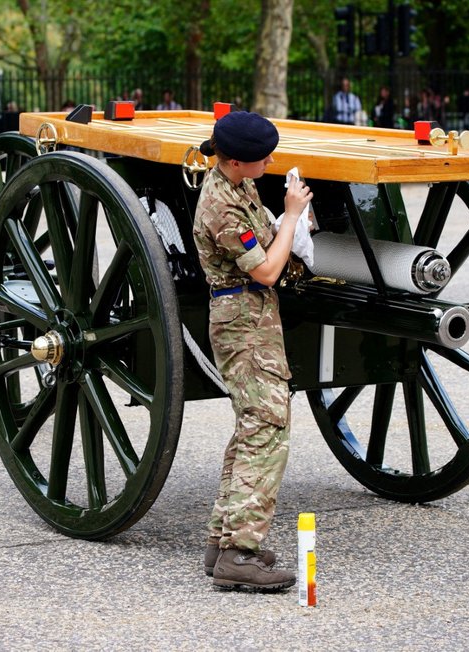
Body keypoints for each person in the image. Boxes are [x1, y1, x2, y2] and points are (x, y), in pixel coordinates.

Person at [192, 110, 312, 592]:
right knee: (267, 429)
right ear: (238, 162)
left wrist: (284, 220)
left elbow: (264, 237)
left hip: (251, 317)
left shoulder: (237, 185)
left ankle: (223, 542)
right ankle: (240, 554)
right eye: (264, 158)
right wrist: (294, 216)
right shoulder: (221, 205)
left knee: (251, 426)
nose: (270, 162)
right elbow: (265, 271)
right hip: (243, 322)